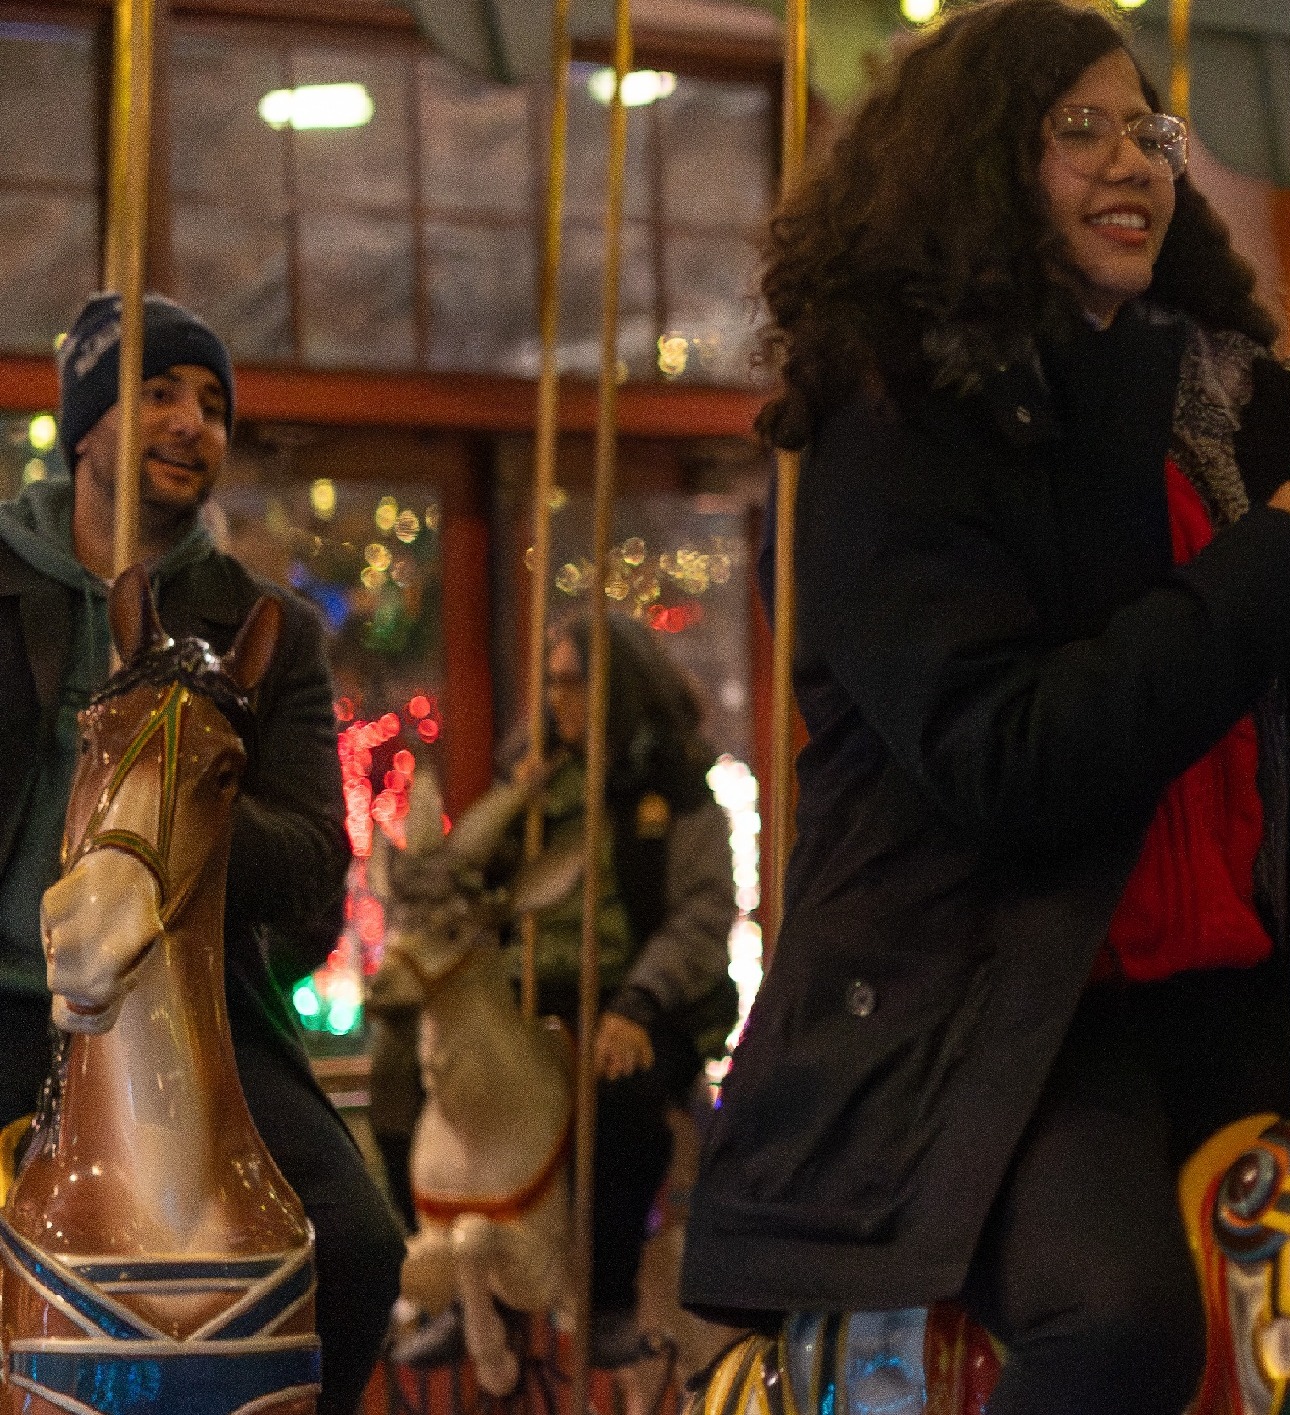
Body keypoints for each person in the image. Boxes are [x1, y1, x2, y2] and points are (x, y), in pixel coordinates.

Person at [677, 5, 1290, 1413]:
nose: (1132, 160)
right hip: (995, 996)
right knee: (1115, 1323)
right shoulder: (891, 428)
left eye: (1148, 133)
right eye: (1081, 130)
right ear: (980, 162)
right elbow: (1009, 753)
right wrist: (1277, 569)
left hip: (1240, 971)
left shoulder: (1228, 401)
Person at [0, 292, 404, 1414]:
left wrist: (194, 791)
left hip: (194, 1017)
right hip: (7, 994)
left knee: (359, 1242)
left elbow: (315, 856)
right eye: (160, 392)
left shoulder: (260, 626)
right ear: (85, 423)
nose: (193, 423)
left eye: (215, 404)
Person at [389, 613, 738, 1370]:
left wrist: (639, 1003)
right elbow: (467, 881)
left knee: (620, 1099)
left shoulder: (673, 784)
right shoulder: (537, 776)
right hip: (527, 991)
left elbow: (704, 911)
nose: (559, 698)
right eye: (551, 682)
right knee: (414, 1069)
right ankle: (450, 1284)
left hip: (633, 996)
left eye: (575, 682)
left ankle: (609, 1295)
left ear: (619, 688)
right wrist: (513, 802)